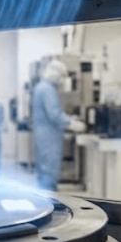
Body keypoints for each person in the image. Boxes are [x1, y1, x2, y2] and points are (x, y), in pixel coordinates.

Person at [31, 60, 85, 191]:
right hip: (49, 137)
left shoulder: (42, 87)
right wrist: (72, 123)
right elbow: (54, 114)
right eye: (62, 77)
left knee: (44, 170)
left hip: (44, 135)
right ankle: (51, 202)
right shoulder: (47, 89)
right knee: (49, 172)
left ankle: (47, 199)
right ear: (56, 75)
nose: (62, 81)